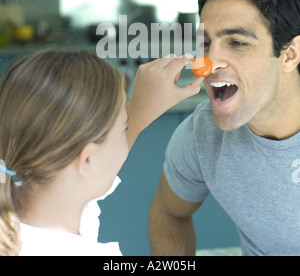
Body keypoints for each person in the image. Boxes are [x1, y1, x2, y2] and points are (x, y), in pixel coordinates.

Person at [149, 0, 300, 257]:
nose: (208, 64)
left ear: (289, 55)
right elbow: (169, 212)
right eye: (205, 43)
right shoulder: (201, 133)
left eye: (237, 43)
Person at [0, 49, 202, 256]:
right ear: (87, 159)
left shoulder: (25, 201)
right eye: (124, 129)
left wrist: (139, 109)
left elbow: (85, 175)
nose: (128, 131)